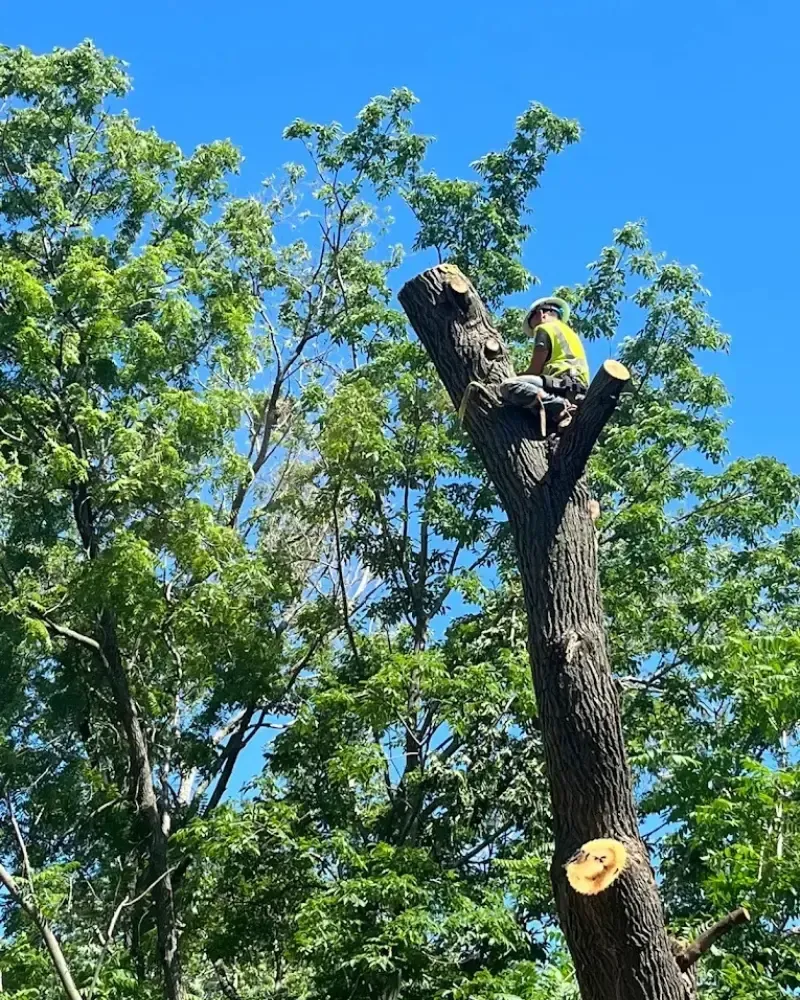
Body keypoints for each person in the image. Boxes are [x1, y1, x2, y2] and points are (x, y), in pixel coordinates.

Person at [498, 296, 589, 433]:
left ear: (541, 314)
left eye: (533, 323)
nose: (534, 328)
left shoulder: (544, 328)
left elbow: (535, 369)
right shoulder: (571, 334)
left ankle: (560, 406)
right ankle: (561, 413)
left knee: (508, 386)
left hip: (560, 383)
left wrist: (516, 375)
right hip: (577, 387)